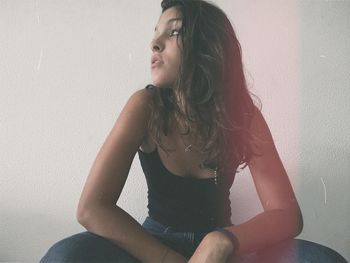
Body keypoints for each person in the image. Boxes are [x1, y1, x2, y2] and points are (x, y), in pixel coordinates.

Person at [40, 0, 347, 262]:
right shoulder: (144, 106)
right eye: (155, 34)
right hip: (153, 246)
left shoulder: (244, 116)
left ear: (208, 47)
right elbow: (91, 208)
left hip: (223, 249)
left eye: (173, 32)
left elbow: (287, 214)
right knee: (65, 256)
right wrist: (169, 259)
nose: (154, 43)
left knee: (322, 260)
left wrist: (222, 241)